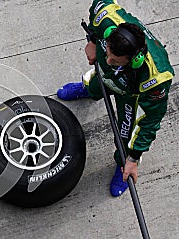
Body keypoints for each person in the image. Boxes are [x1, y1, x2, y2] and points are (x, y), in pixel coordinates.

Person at [57, 0, 174, 196]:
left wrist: (133, 158)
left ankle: (122, 165)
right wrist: (94, 42)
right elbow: (97, 6)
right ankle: (89, 90)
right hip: (108, 76)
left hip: (129, 93)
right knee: (97, 82)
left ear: (134, 61)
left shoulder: (155, 79)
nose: (109, 61)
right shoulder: (108, 18)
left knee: (125, 135)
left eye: (116, 61)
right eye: (108, 53)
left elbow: (150, 122)